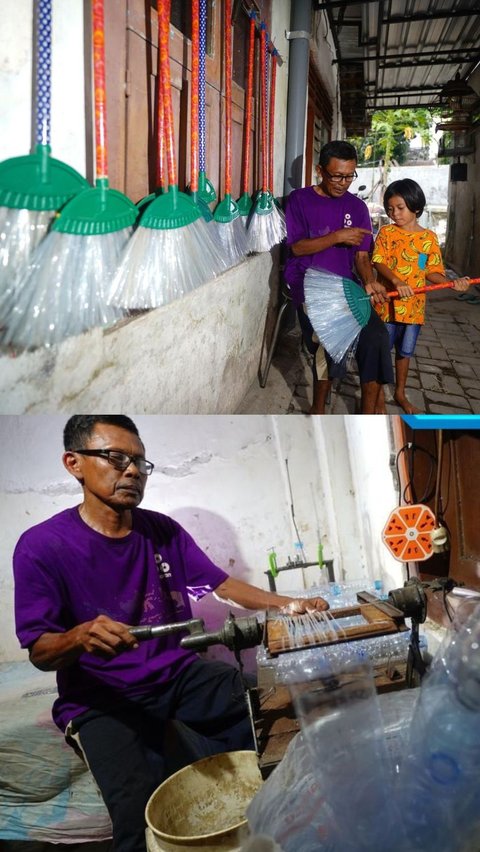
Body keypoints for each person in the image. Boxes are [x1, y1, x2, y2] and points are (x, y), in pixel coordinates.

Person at [13, 415, 329, 852]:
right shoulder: (42, 546)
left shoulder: (161, 531)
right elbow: (40, 650)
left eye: (140, 463)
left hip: (177, 675)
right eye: (115, 457)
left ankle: (276, 826)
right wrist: (79, 637)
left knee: (272, 717)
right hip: (101, 699)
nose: (131, 471)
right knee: (140, 821)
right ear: (74, 463)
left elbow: (221, 585)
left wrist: (290, 604)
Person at [284, 140, 393, 414]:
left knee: (377, 337)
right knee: (327, 339)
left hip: (346, 287)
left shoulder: (357, 208)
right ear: (321, 171)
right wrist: (337, 236)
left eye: (349, 176)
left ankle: (368, 413)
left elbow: (361, 257)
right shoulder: (299, 200)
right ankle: (318, 409)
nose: (343, 183)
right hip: (308, 282)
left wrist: (368, 280)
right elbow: (296, 248)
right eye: (337, 176)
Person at [372, 178, 470, 414]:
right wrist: (396, 280)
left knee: (405, 352)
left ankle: (399, 393)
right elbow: (378, 261)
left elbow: (432, 272)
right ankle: (376, 399)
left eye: (400, 208)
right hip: (386, 306)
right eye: (390, 208)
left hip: (413, 308)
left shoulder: (428, 239)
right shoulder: (386, 233)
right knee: (381, 352)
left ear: (416, 206)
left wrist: (451, 283)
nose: (395, 213)